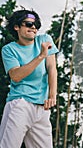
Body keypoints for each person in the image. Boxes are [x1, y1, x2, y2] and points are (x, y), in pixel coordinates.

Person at [0, 9, 59, 147]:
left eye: (36, 25)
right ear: (17, 27)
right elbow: (16, 76)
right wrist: (40, 56)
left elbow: (52, 69)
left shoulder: (45, 40)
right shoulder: (9, 50)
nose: (33, 27)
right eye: (28, 24)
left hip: (42, 107)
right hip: (20, 104)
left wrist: (52, 95)